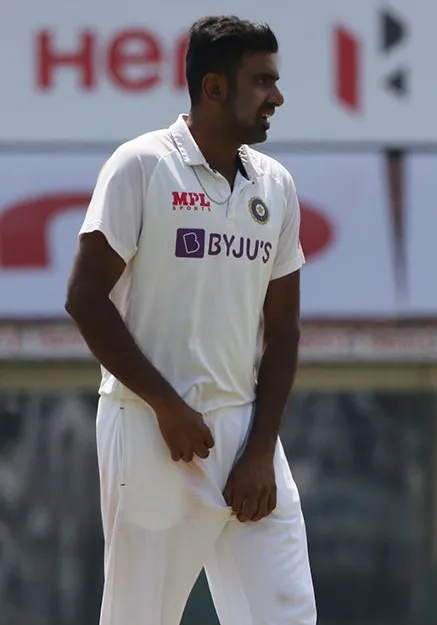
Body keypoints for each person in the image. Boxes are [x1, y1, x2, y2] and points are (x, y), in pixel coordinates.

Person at [65, 15, 316, 625]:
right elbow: (85, 297)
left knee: (286, 615)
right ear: (214, 88)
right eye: (262, 82)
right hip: (151, 429)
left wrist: (260, 449)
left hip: (246, 439)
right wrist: (165, 405)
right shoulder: (143, 165)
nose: (277, 97)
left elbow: (282, 331)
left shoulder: (276, 186)